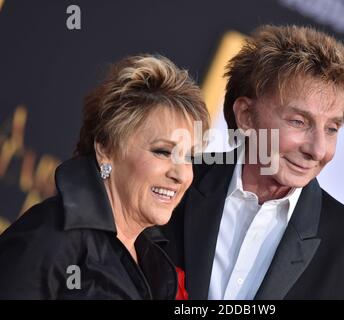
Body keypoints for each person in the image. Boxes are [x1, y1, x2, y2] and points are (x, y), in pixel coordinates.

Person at [162, 25, 344, 299]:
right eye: (299, 122)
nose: (318, 150)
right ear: (246, 116)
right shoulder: (171, 183)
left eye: (332, 129)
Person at [0, 54, 210, 299]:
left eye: (188, 157)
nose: (180, 174)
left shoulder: (155, 264)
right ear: (106, 148)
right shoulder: (52, 238)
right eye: (163, 151)